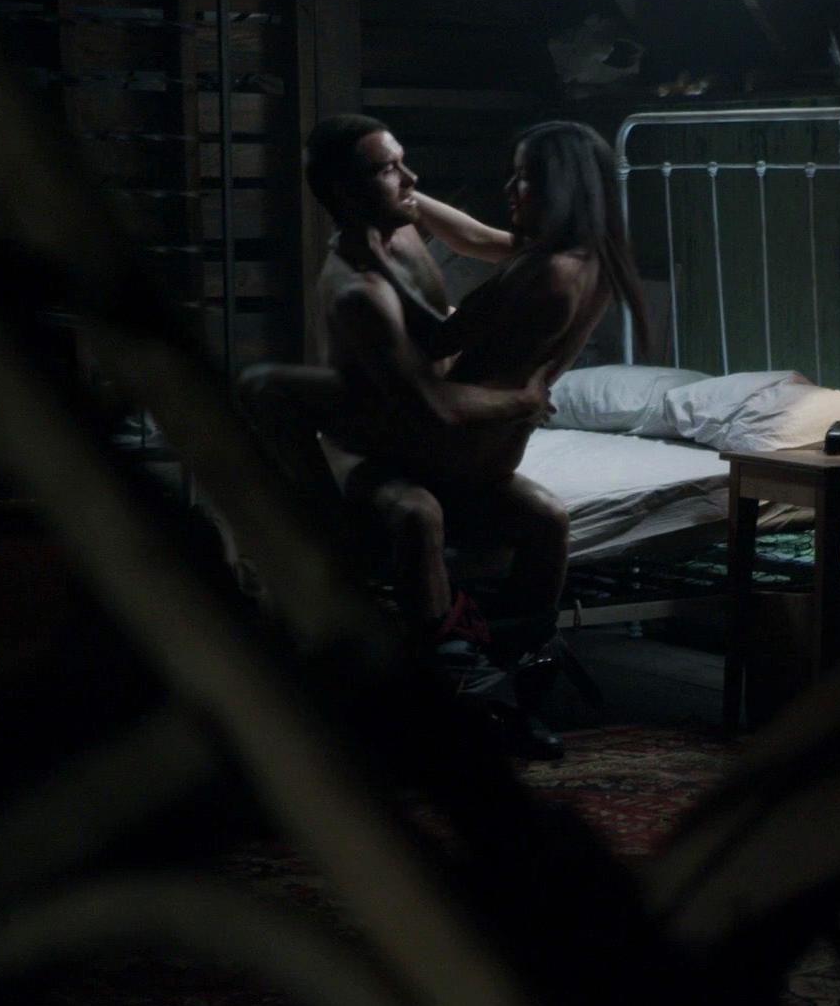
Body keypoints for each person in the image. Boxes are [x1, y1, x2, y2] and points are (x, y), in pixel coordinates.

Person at [236, 116, 645, 753]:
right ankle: (481, 681)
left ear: (561, 188)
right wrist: (520, 396)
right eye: (390, 168)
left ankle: (497, 683)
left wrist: (389, 199)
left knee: (543, 518)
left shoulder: (540, 271)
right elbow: (438, 364)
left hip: (456, 448)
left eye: (523, 178)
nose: (510, 189)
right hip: (439, 445)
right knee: (452, 512)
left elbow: (443, 332)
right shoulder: (589, 260)